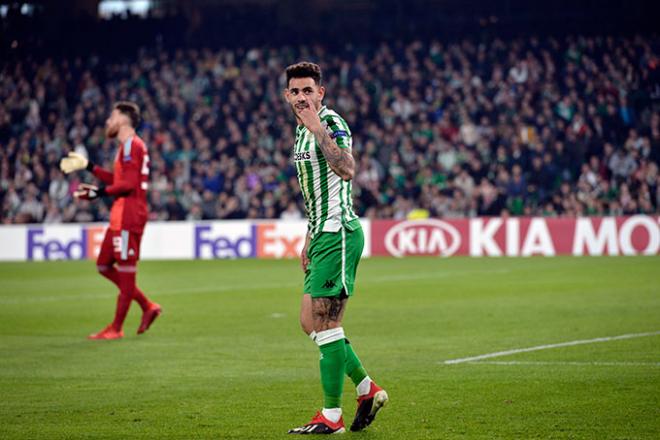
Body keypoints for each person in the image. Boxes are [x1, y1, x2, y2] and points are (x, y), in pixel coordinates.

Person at [284, 62, 388, 434]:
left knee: (327, 323)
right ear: (286, 96)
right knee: (309, 321)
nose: (301, 98)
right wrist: (309, 238)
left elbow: (346, 169)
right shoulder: (299, 134)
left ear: (320, 93)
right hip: (322, 234)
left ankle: (331, 415)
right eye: (295, 91)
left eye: (307, 90)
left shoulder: (331, 124)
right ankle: (366, 388)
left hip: (339, 232)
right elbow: (317, 192)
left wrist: (318, 129)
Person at [59, 101, 161, 340]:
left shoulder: (131, 146)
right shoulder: (127, 147)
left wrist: (98, 193)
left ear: (124, 120)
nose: (108, 121)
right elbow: (117, 179)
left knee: (126, 273)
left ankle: (116, 328)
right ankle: (147, 306)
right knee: (104, 264)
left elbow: (127, 185)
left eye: (112, 116)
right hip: (120, 216)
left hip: (129, 216)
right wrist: (88, 166)